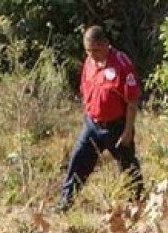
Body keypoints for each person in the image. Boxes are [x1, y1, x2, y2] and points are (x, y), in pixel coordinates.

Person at [57, 25, 144, 212]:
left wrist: (127, 131)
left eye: (95, 50)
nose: (92, 55)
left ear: (105, 44)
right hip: (92, 124)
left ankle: (136, 204)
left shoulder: (121, 63)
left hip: (117, 126)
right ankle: (65, 203)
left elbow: (132, 100)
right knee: (78, 161)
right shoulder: (89, 63)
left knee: (128, 166)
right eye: (88, 50)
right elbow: (85, 89)